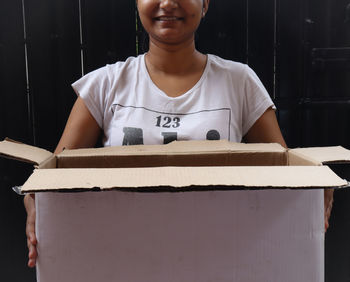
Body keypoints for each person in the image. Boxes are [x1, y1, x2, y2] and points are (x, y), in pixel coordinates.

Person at [23, 0, 333, 268]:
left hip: (223, 254)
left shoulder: (240, 82)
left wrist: (312, 187)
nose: (168, 3)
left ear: (206, 3)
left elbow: (284, 170)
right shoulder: (105, 85)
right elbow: (56, 176)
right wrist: (35, 204)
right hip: (123, 254)